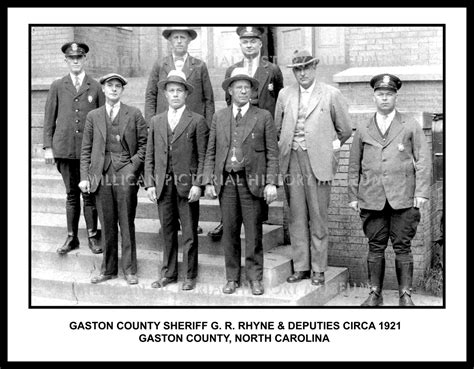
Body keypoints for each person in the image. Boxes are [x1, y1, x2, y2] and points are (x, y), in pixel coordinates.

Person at [348, 73, 431, 306]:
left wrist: (421, 192)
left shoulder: (410, 125)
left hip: (404, 199)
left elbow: (423, 161)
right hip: (371, 198)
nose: (384, 98)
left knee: (403, 247)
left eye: (389, 94)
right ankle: (375, 293)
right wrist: (353, 196)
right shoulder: (364, 128)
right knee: (375, 247)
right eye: (380, 94)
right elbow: (354, 164)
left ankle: (406, 295)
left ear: (396, 96)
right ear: (374, 96)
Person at [275, 50, 352, 287]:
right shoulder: (284, 94)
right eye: (298, 69)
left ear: (315, 68)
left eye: (307, 68)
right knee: (296, 216)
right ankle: (301, 267)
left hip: (318, 162)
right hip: (291, 161)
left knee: (318, 217)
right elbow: (278, 128)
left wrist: (330, 152)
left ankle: (319, 268)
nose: (303, 73)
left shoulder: (330, 94)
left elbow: (345, 130)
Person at [203, 68, 279, 295]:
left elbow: (272, 153)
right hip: (226, 182)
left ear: (252, 91)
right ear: (230, 90)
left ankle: (255, 278)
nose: (243, 91)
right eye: (238, 87)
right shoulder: (220, 116)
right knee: (230, 232)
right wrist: (208, 181)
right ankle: (232, 278)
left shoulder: (263, 116)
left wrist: (271, 182)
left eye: (247, 87)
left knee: (254, 232)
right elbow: (211, 151)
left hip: (252, 183)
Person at [208, 26, 284, 240]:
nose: (249, 45)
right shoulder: (233, 69)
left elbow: (279, 100)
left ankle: (258, 217)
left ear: (260, 43)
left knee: (256, 174)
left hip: (262, 129)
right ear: (240, 45)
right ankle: (227, 221)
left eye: (253, 41)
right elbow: (228, 101)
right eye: (245, 42)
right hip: (239, 131)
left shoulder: (272, 69)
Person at [79, 73, 147, 285]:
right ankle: (108, 269)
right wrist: (85, 177)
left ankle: (129, 269)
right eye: (110, 86)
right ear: (103, 89)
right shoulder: (94, 116)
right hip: (101, 174)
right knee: (107, 223)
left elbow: (145, 144)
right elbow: (86, 149)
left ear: (122, 90)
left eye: (118, 86)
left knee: (126, 221)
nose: (114, 89)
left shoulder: (134, 113)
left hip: (126, 172)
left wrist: (133, 167)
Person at [145, 26, 214, 235]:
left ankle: (190, 221)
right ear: (170, 41)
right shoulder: (160, 65)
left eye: (183, 38)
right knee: (168, 171)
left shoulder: (199, 66)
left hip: (192, 129)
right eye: (175, 38)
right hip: (166, 127)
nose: (179, 41)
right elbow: (150, 96)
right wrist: (151, 125)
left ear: (189, 41)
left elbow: (208, 99)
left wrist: (207, 129)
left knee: (188, 171)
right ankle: (170, 220)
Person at [144, 70, 209, 291]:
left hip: (187, 185)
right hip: (163, 184)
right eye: (171, 91)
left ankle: (190, 275)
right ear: (164, 94)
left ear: (186, 94)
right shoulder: (156, 121)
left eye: (179, 91)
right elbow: (150, 155)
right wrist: (150, 183)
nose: (175, 95)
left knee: (189, 232)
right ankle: (168, 273)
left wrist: (198, 184)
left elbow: (202, 156)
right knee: (168, 230)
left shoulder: (197, 121)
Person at [43, 41, 104, 255]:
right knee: (71, 194)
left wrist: (101, 150)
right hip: (65, 149)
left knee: (88, 194)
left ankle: (92, 236)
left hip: (88, 153)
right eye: (71, 58)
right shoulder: (58, 85)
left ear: (85, 59)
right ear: (66, 60)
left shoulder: (95, 86)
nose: (75, 61)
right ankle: (72, 237)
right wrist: (47, 147)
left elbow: (102, 120)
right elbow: (49, 118)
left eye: (79, 58)